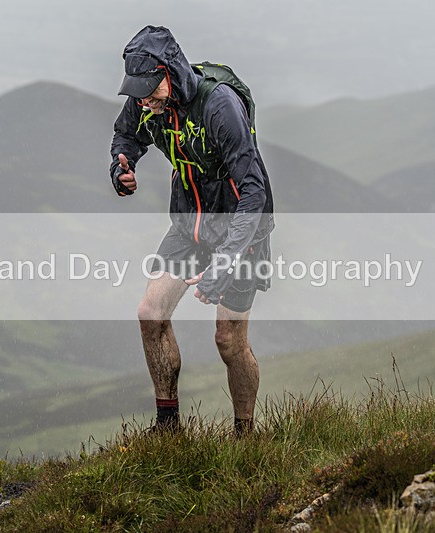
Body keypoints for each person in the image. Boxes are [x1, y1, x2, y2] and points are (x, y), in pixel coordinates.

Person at [109, 25, 275, 436]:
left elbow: (254, 193)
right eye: (138, 90)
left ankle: (245, 436)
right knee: (150, 315)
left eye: (151, 88)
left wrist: (224, 263)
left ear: (171, 72)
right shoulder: (145, 102)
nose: (144, 99)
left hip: (241, 230)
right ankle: (168, 428)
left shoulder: (220, 106)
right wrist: (121, 166)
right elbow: (124, 135)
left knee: (228, 341)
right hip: (189, 226)